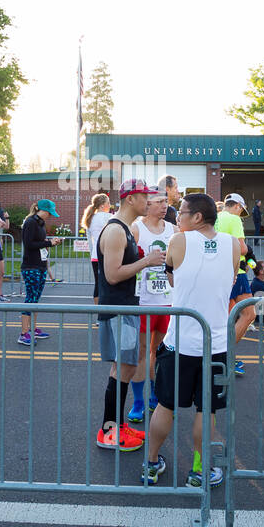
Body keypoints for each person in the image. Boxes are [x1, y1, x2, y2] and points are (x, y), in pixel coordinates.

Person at [141, 193, 237, 488]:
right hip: (216, 342)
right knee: (205, 411)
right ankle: (200, 470)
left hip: (180, 341)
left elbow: (171, 277)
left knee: (165, 406)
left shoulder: (179, 241)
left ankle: (151, 463)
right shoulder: (234, 244)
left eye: (181, 213)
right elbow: (230, 281)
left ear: (197, 217)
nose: (176, 218)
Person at [94, 179, 164, 451]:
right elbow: (111, 276)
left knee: (127, 366)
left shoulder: (124, 229)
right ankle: (108, 431)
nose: (149, 202)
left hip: (125, 307)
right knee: (124, 367)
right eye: (145, 197)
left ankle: (116, 426)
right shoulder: (115, 231)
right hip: (117, 309)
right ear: (131, 198)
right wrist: (145, 261)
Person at [128, 187, 175, 423]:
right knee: (141, 353)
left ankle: (155, 395)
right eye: (159, 202)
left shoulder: (174, 230)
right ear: (148, 204)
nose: (164, 206)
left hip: (168, 302)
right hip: (144, 301)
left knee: (159, 352)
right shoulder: (136, 229)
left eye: (166, 202)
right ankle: (137, 401)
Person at [215, 194, 253, 374]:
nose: (241, 213)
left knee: (221, 318)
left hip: (217, 272)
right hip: (236, 271)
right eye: (241, 210)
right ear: (237, 206)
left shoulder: (214, 217)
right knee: (248, 313)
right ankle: (226, 355)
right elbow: (242, 248)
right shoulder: (234, 219)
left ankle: (219, 356)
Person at [18, 200, 57, 345]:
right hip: (31, 266)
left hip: (40, 266)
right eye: (50, 213)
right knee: (30, 299)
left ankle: (33, 329)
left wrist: (50, 242)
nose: (50, 216)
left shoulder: (40, 223)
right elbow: (29, 244)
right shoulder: (30, 222)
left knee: (35, 299)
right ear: (44, 211)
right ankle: (23, 333)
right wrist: (49, 243)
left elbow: (39, 241)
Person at [82, 193, 113, 298]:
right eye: (108, 203)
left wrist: (92, 254)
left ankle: (99, 310)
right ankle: (107, 310)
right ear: (102, 205)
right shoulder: (109, 217)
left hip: (95, 256)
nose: (110, 205)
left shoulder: (89, 219)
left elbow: (90, 242)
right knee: (109, 284)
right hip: (107, 255)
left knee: (98, 284)